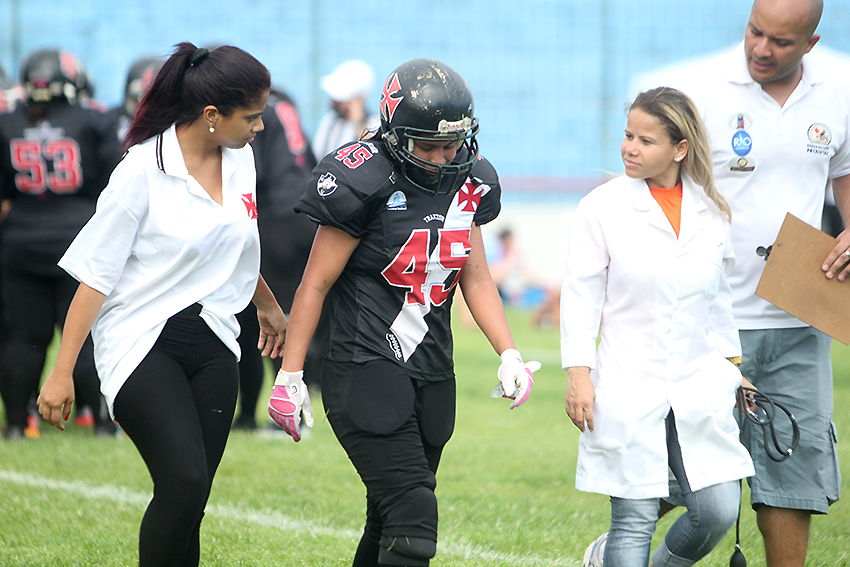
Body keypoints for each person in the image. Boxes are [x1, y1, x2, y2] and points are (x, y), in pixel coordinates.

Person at [268, 58, 539, 567]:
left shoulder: (470, 179)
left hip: (433, 370)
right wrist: (290, 374)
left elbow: (475, 277)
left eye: (451, 144)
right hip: (363, 367)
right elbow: (316, 282)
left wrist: (510, 352)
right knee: (414, 521)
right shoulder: (362, 177)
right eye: (428, 145)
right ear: (394, 132)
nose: (442, 157)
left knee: (388, 519)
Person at [36, 42, 285, 567]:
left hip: (217, 338)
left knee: (192, 497)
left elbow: (237, 243)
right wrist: (61, 373)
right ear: (213, 116)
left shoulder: (242, 161)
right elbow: (94, 276)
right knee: (183, 478)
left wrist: (265, 304)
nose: (260, 127)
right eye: (253, 116)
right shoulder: (140, 170)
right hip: (141, 340)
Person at [664, 2, 850, 565]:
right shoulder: (698, 89)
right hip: (706, 318)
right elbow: (657, 184)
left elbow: (843, 173)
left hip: (798, 313)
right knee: (682, 478)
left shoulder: (839, 91)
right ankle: (623, 551)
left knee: (791, 470)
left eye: (781, 42)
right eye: (755, 32)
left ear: (811, 42)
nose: (762, 49)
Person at [562, 87, 755, 567]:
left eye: (646, 140)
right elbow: (581, 296)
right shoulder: (600, 208)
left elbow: (720, 305)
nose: (630, 147)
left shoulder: (712, 213)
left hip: (699, 382)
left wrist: (735, 370)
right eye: (628, 135)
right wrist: (578, 374)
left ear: (680, 148)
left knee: (716, 510)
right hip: (627, 380)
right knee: (634, 519)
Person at [0, 48, 117, 439]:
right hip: (77, 238)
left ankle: (17, 424)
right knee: (82, 334)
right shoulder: (93, 120)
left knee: (23, 337)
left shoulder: (7, 122)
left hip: (19, 241)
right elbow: (111, 185)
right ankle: (101, 422)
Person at [231, 86, 319, 430]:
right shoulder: (285, 105)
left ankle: (284, 408)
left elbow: (257, 170)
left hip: (276, 219)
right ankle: (285, 404)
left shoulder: (256, 111)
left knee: (265, 319)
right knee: (291, 314)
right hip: (305, 216)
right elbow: (309, 161)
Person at [311, 59, 380, 160]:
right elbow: (316, 155)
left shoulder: (373, 124)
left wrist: (359, 122)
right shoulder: (330, 120)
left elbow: (368, 158)